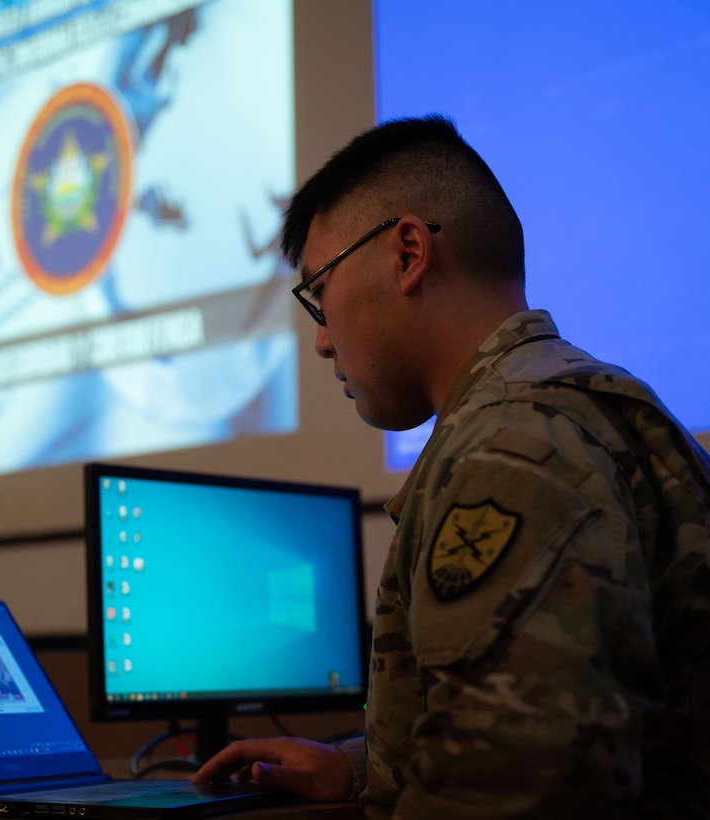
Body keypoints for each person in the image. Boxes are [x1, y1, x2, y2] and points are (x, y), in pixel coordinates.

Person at [192, 115, 710, 817]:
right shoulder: (566, 406)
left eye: (318, 293)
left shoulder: (511, 451)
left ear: (407, 253)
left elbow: (514, 793)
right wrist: (361, 767)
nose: (319, 341)